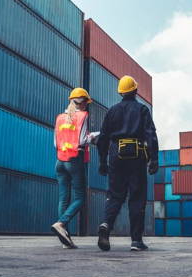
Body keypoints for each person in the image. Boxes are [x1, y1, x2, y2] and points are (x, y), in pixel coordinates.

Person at [96, 75, 159, 251]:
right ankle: (136, 241)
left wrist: (102, 161)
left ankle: (106, 225)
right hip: (136, 156)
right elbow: (150, 135)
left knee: (115, 195)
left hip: (116, 155)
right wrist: (154, 159)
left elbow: (103, 138)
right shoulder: (142, 110)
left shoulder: (112, 111)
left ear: (121, 92)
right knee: (137, 197)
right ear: (135, 90)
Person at [51, 88, 98, 249]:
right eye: (86, 102)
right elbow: (82, 140)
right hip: (74, 161)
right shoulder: (83, 116)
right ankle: (61, 223)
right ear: (83, 102)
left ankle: (66, 240)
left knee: (63, 198)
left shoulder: (59, 118)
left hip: (59, 161)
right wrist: (94, 136)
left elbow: (56, 144)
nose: (87, 105)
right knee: (80, 198)